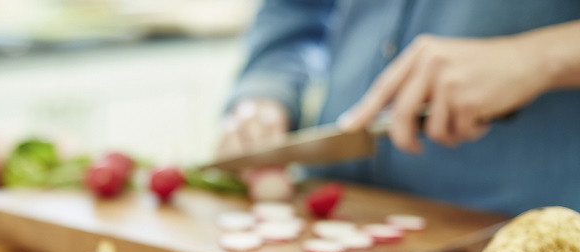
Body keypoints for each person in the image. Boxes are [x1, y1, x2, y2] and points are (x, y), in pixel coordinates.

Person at [218, 1, 580, 215]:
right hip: (333, 208)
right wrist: (266, 90)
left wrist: (537, 57)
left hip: (522, 237)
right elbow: (297, 9)